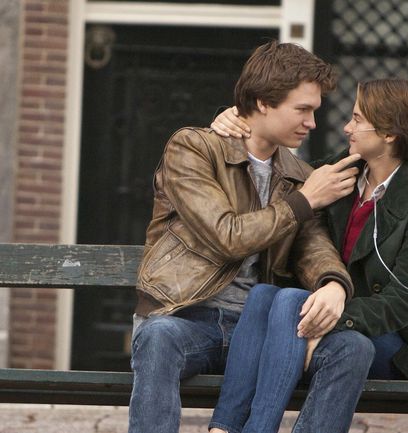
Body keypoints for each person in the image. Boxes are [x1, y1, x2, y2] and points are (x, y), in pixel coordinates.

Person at [128, 40, 364, 433]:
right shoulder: (192, 149)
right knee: (158, 338)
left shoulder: (300, 175)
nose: (312, 123)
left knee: (350, 349)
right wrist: (303, 201)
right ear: (263, 102)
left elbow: (313, 247)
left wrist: (333, 283)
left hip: (260, 327)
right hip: (189, 319)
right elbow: (226, 235)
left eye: (314, 111)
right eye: (302, 109)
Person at [209, 77, 408, 433]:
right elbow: (279, 170)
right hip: (330, 322)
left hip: (398, 344)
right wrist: (236, 123)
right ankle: (225, 429)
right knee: (264, 295)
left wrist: (331, 318)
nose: (346, 127)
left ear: (389, 134)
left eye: (357, 119)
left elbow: (403, 303)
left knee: (302, 309)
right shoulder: (338, 173)